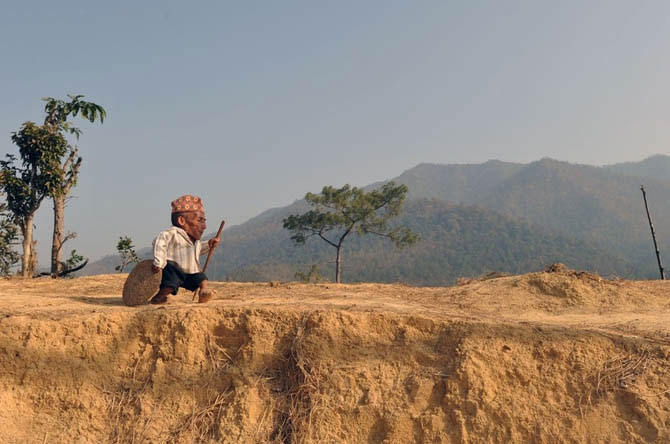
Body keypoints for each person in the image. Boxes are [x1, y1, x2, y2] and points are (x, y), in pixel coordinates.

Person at [149, 195, 220, 304]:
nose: (204, 226)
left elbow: (198, 249)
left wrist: (209, 244)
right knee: (170, 285)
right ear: (182, 220)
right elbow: (160, 243)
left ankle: (203, 293)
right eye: (199, 220)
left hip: (189, 272)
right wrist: (159, 262)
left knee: (202, 279)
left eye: (204, 221)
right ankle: (158, 298)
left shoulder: (194, 241)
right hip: (173, 270)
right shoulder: (171, 234)